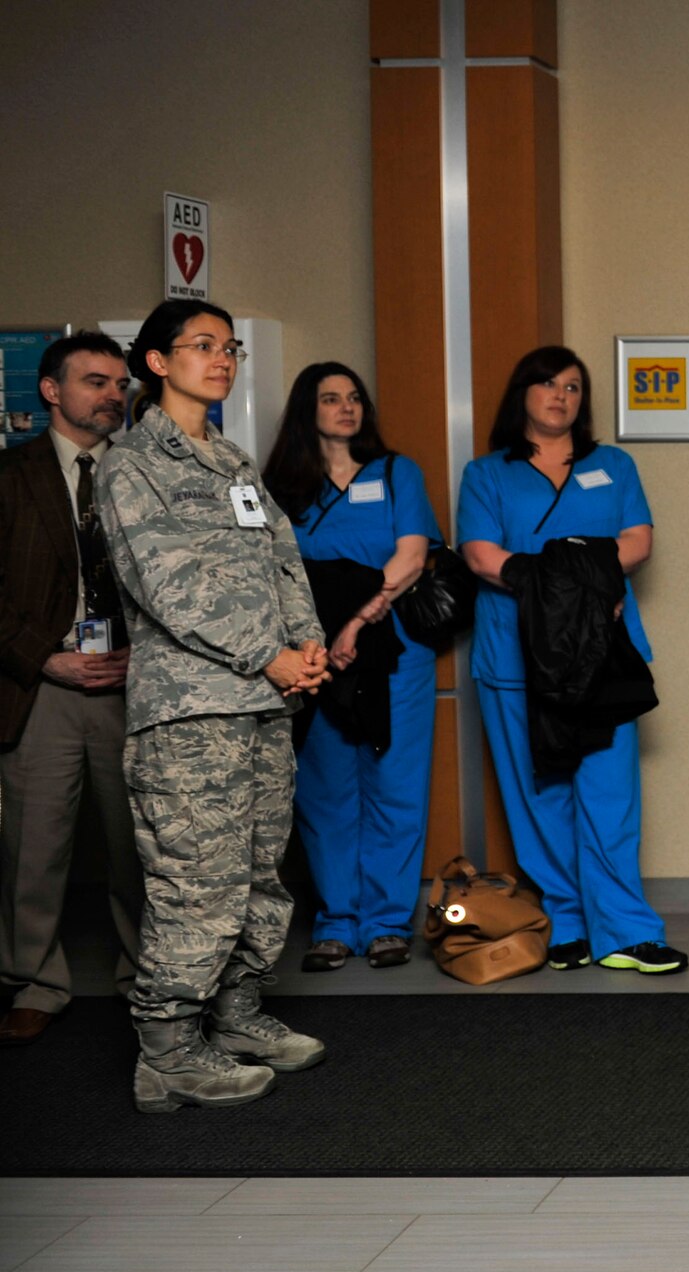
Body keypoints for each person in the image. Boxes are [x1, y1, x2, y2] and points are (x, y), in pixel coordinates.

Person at [99, 299, 331, 1111]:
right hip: (192, 711)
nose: (222, 358)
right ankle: (166, 1049)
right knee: (197, 880)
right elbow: (167, 584)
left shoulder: (231, 459)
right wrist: (265, 653)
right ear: (157, 362)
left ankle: (235, 1016)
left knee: (260, 870)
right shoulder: (131, 461)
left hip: (264, 702)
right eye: (202, 346)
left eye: (229, 347)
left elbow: (282, 561)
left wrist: (305, 650)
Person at [458, 346, 687, 975]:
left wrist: (559, 581)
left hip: (602, 660)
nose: (561, 396)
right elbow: (479, 555)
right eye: (548, 384)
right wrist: (572, 583)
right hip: (515, 661)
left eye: (574, 387)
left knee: (609, 799)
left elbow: (637, 542)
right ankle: (569, 925)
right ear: (522, 395)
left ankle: (628, 932)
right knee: (541, 798)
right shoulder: (487, 474)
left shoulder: (612, 465)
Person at [264, 364, 441, 972]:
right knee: (325, 788)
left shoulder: (397, 473)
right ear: (305, 411)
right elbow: (268, 573)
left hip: (390, 648)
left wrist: (358, 623)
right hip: (312, 657)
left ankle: (388, 921)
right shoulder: (280, 489)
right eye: (331, 398)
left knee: (394, 782)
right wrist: (317, 643)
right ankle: (337, 920)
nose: (346, 407)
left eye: (355, 397)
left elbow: (413, 556)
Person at [0, 332, 145, 1045]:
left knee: (138, 844)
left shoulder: (143, 474)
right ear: (52, 390)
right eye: (95, 381)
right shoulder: (10, 474)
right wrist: (44, 658)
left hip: (134, 682)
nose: (113, 396)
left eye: (120, 384)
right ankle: (34, 979)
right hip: (42, 683)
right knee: (35, 843)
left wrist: (143, 653)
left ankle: (146, 975)